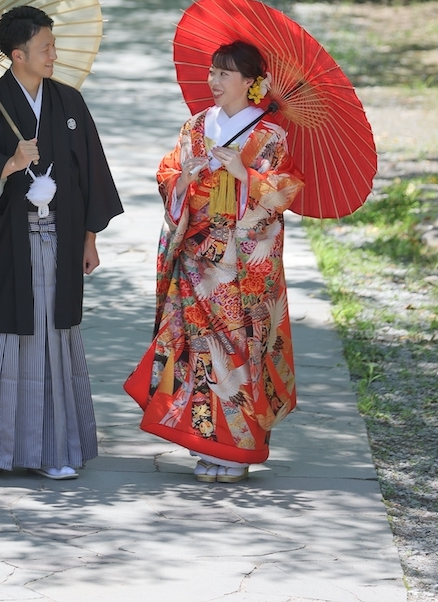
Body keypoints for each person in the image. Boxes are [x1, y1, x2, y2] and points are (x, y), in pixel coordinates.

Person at [0, 4, 123, 481]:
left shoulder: (69, 104)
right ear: (17, 54)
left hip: (60, 242)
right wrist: (9, 162)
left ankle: (55, 451)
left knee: (53, 340)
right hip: (7, 246)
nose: (53, 55)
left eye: (53, 46)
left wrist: (89, 238)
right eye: (46, 48)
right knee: (0, 342)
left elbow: (92, 176)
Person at [124, 40, 303, 483]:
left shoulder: (271, 136)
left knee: (240, 350)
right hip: (196, 256)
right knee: (197, 350)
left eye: (225, 74)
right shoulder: (195, 127)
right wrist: (182, 179)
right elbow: (167, 174)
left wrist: (246, 176)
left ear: (250, 82)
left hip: (242, 266)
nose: (214, 82)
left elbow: (283, 192)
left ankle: (239, 448)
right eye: (212, 72)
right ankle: (206, 442)